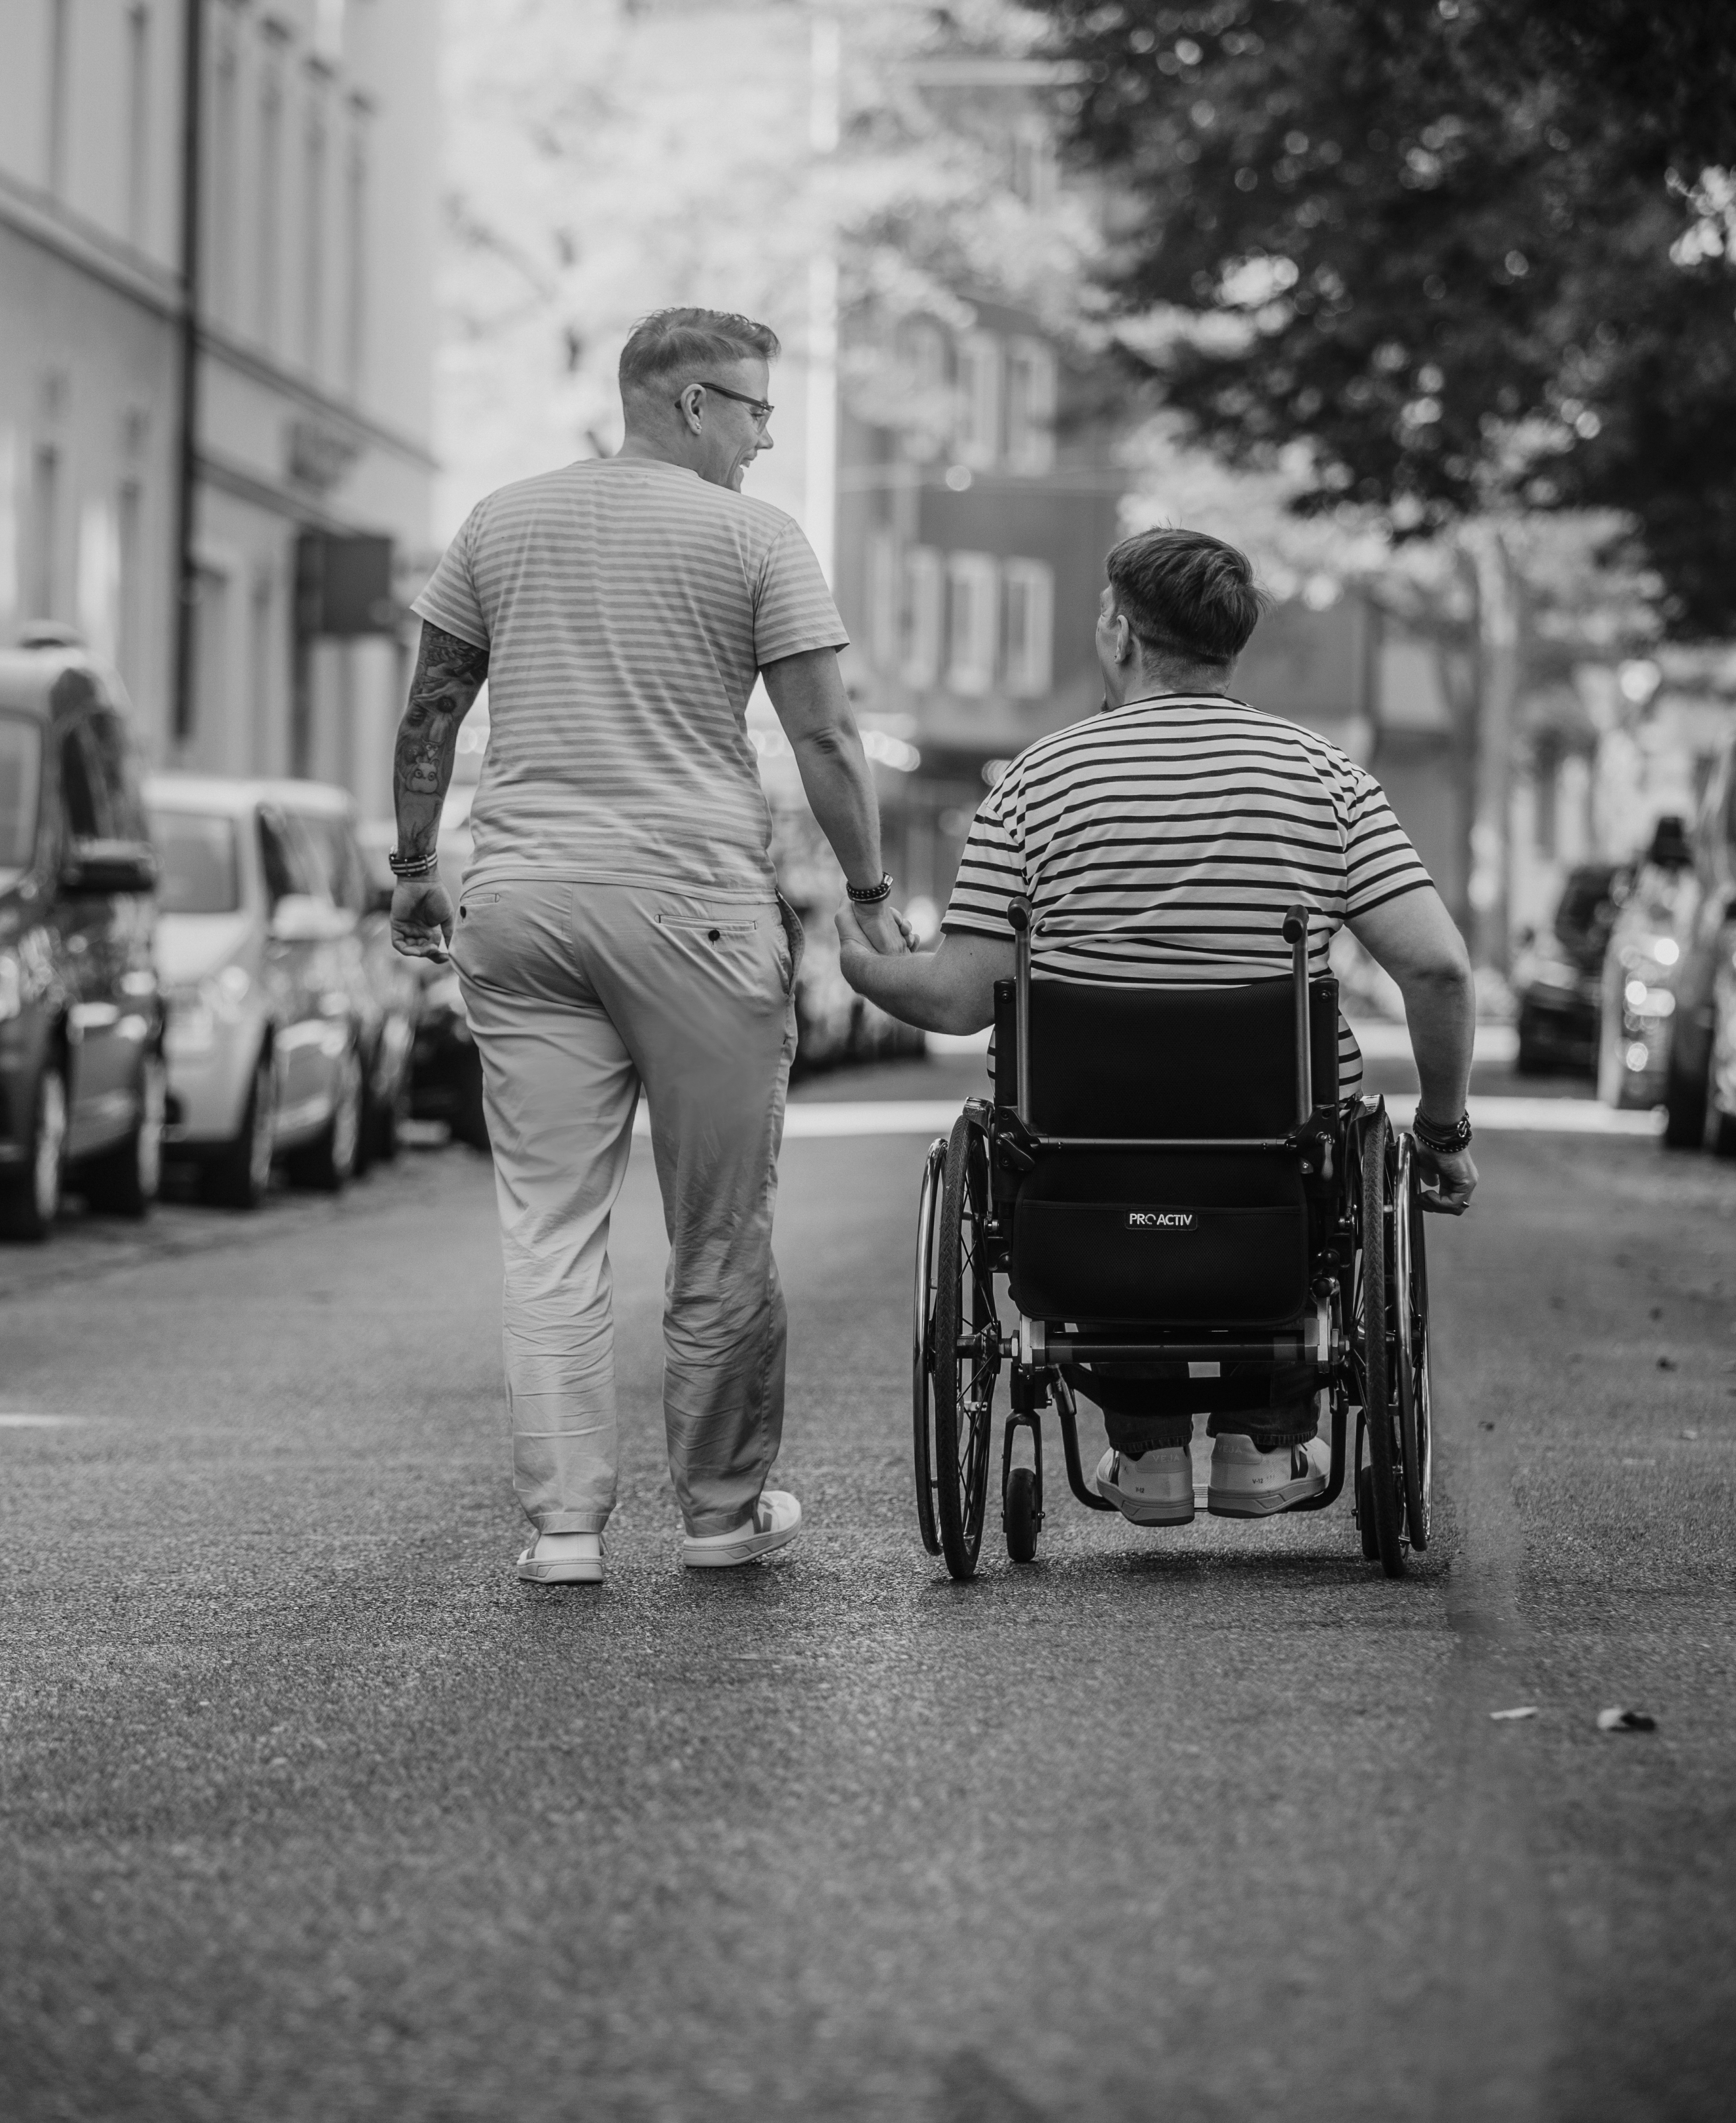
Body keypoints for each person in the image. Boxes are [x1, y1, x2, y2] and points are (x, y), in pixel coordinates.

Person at [387, 308, 911, 1586]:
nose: (766, 437)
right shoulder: (755, 539)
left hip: (520, 905)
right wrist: (869, 889)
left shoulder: (498, 523)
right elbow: (828, 739)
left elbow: (434, 707)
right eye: (754, 411)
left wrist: (415, 870)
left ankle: (564, 1528)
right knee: (721, 1229)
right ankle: (721, 1514)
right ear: (687, 404)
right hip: (695, 905)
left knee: (549, 1229)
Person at [837, 527, 1478, 1527]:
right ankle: (1261, 1441)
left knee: (1082, 1132)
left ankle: (1146, 1449)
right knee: (1318, 1149)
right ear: (1233, 645)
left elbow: (960, 1000)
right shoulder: (1327, 780)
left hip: (1083, 1176)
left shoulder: (1036, 783)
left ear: (1120, 630)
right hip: (1279, 1173)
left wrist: (858, 963)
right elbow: (1438, 966)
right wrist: (1441, 1133)